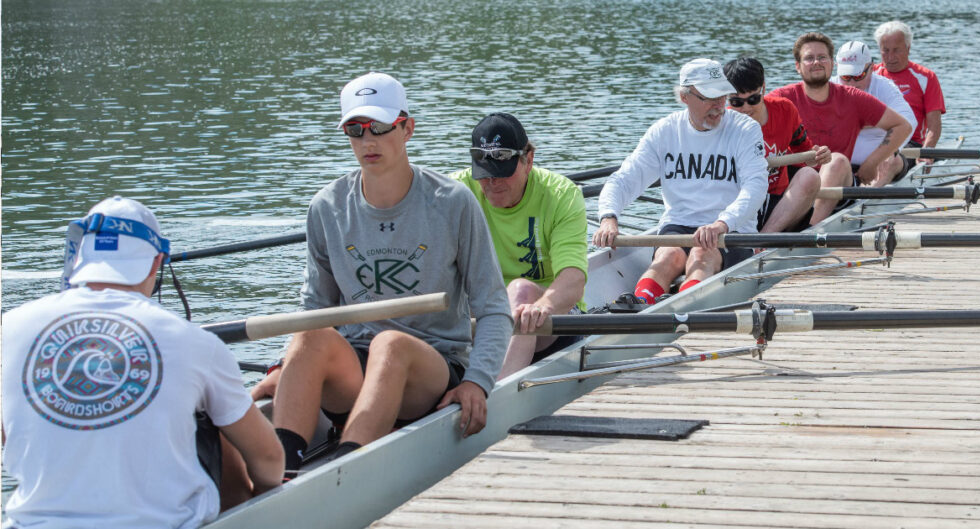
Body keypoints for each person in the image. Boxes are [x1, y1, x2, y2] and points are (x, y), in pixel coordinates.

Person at [250, 72, 513, 477]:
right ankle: (282, 472)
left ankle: (344, 472)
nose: (367, 141)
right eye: (355, 130)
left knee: (390, 344)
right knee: (310, 333)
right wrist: (289, 368)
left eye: (380, 127)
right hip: (355, 365)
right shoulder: (326, 207)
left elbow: (494, 309)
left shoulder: (454, 203)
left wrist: (478, 382)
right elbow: (314, 310)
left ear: (407, 128)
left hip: (431, 367)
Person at [1, 196, 283, 528]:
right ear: (155, 263)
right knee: (213, 416)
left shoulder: (10, 327)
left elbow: (11, 436)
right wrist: (265, 498)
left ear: (79, 257)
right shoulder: (196, 343)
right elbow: (268, 459)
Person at [593, 58, 768, 305]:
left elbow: (756, 186)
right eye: (709, 97)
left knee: (701, 254)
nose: (719, 105)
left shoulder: (745, 129)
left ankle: (681, 305)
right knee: (666, 256)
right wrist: (608, 217)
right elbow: (624, 179)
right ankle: (641, 305)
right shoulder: (665, 131)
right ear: (685, 97)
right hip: (680, 224)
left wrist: (721, 223)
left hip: (731, 229)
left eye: (722, 96)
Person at [450, 113, 588, 379]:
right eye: (485, 175)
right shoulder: (455, 191)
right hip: (482, 312)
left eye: (502, 174)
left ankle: (492, 395)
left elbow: (573, 280)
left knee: (521, 291)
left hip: (548, 319)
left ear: (528, 160)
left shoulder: (561, 195)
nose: (493, 184)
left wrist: (542, 306)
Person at [769, 32, 912, 224]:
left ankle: (810, 229)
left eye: (822, 57)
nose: (816, 62)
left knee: (836, 161)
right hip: (798, 181)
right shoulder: (781, 98)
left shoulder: (853, 97)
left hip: (837, 183)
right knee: (802, 175)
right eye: (809, 58)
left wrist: (872, 162)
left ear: (830, 64)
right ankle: (768, 236)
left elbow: (902, 125)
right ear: (798, 66)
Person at [723, 57, 831, 233]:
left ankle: (764, 240)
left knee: (809, 176)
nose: (745, 108)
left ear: (764, 89)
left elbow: (806, 154)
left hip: (777, 202)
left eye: (753, 99)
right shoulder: (722, 123)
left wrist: (818, 155)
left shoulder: (784, 110)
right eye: (736, 102)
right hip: (738, 201)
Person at [834, 40, 917, 183]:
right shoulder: (828, 88)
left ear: (871, 68)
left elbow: (910, 122)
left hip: (881, 160)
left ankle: (871, 198)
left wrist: (873, 161)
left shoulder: (884, 87)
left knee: (892, 161)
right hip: (841, 162)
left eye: (858, 76)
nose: (852, 84)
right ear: (837, 69)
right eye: (846, 77)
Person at [873, 20, 945, 163]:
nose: (890, 57)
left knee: (889, 158)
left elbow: (934, 124)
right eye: (885, 50)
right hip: (873, 140)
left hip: (910, 145)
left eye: (896, 50)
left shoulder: (926, 77)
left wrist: (927, 151)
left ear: (908, 48)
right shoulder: (870, 75)